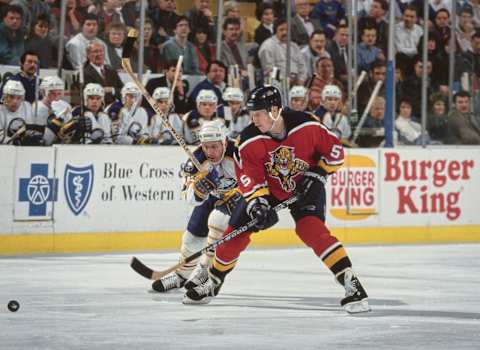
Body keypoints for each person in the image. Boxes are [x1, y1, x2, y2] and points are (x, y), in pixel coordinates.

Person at [182, 86, 370, 314]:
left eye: (258, 113)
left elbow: (336, 152)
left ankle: (351, 283)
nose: (253, 119)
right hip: (268, 190)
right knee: (234, 234)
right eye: (252, 114)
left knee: (311, 229)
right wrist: (257, 204)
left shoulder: (308, 125)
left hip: (306, 184)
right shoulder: (249, 140)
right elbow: (248, 179)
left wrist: (319, 173)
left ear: (274, 110)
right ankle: (213, 281)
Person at [152, 120, 241, 293]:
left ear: (224, 142)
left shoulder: (239, 152)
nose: (210, 152)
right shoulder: (196, 160)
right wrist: (199, 191)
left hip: (237, 198)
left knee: (219, 220)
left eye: (215, 147)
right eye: (206, 147)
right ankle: (180, 276)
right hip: (212, 197)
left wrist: (241, 193)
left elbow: (256, 177)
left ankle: (204, 269)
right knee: (191, 237)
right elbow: (188, 197)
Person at [258, 17, 307, 85]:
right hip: (276, 84)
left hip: (296, 85)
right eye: (281, 30)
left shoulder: (294, 46)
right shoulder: (267, 46)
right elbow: (269, 70)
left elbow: (302, 67)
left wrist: (301, 80)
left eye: (287, 30)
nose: (285, 32)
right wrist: (285, 81)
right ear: (275, 31)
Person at [83, 40, 124, 106]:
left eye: (101, 51)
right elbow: (88, 95)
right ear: (88, 55)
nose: (99, 54)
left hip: (115, 107)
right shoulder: (84, 72)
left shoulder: (111, 70)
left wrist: (112, 90)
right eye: (95, 51)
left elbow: (123, 90)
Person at [31, 76, 70, 144]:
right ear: (43, 92)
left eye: (59, 93)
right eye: (52, 93)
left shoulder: (65, 106)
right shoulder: (37, 108)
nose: (56, 97)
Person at [0, 80, 34, 145]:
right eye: (11, 97)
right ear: (5, 97)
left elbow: (30, 129)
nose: (15, 101)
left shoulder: (26, 106)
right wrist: (13, 141)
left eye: (19, 98)